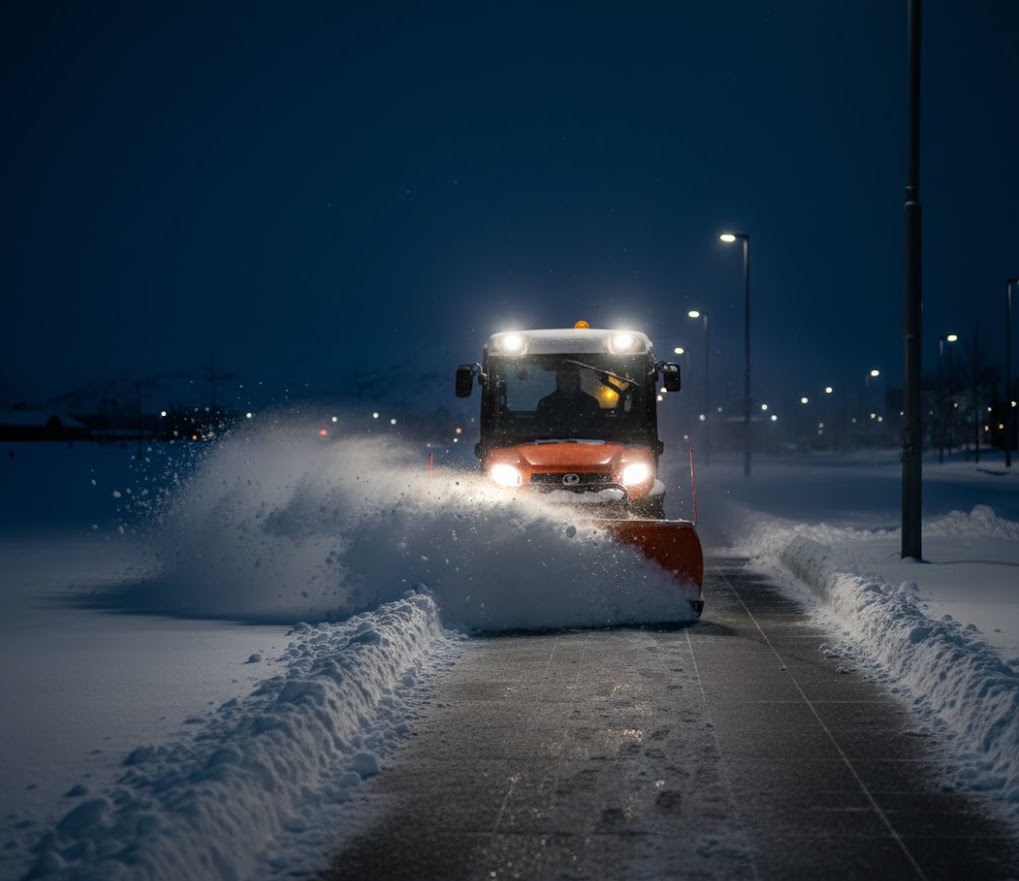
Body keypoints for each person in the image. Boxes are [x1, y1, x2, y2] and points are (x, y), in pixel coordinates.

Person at [536, 365, 601, 427]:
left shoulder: (591, 403)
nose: (568, 381)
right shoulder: (545, 404)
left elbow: (598, 429)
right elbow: (540, 430)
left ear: (578, 380)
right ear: (558, 380)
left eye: (572, 377)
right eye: (564, 377)